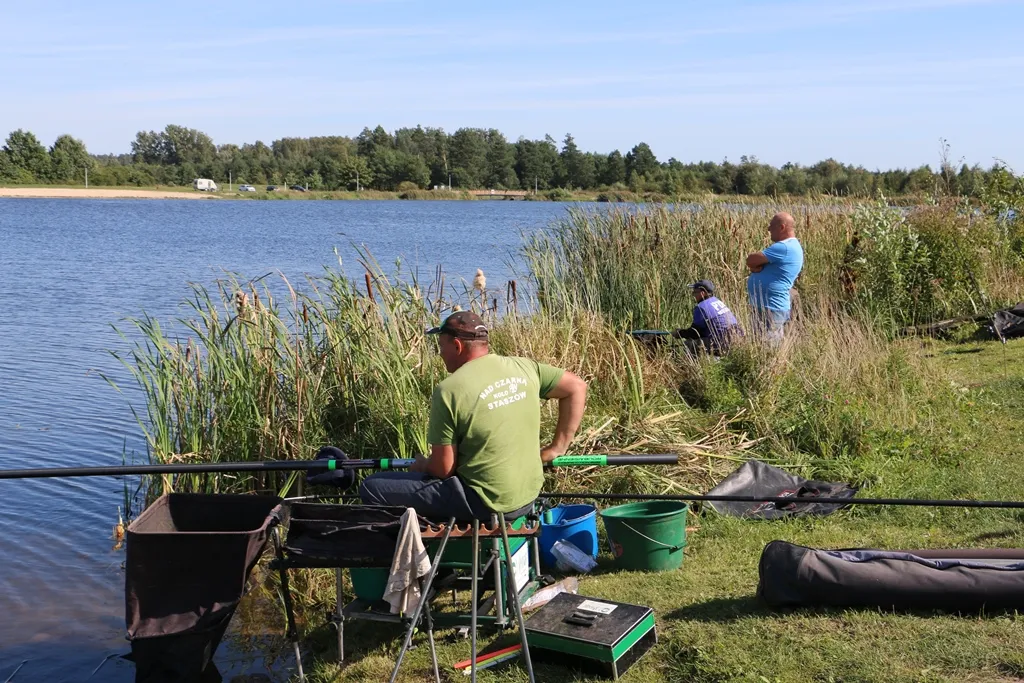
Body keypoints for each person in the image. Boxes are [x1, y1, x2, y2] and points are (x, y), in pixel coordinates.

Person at [359, 311, 588, 521]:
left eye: (441, 346)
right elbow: (576, 387)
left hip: (484, 503)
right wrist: (557, 448)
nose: (440, 353)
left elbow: (442, 469)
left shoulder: (448, 390)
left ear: (457, 345)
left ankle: (412, 552)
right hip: (527, 496)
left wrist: (422, 465)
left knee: (372, 487)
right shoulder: (524, 367)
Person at [745, 212, 804, 344]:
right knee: (763, 344)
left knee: (767, 346)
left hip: (771, 307)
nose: (768, 229)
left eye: (771, 226)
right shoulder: (791, 246)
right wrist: (755, 267)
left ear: (782, 227)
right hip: (768, 306)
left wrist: (755, 266)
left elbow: (750, 260)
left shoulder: (784, 247)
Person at [671, 280, 743, 354]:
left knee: (688, 344)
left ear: (702, 293)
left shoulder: (701, 307)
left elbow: (695, 333)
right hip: (737, 338)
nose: (693, 295)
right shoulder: (717, 301)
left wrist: (680, 333)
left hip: (722, 342)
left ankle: (699, 361)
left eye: (694, 292)